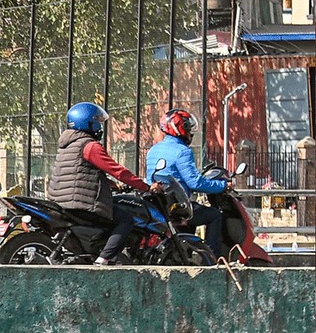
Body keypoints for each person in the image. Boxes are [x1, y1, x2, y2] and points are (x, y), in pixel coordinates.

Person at [49, 101, 150, 264]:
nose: (99, 128)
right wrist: (145, 186)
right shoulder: (90, 146)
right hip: (80, 204)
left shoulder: (68, 145)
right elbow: (118, 171)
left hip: (61, 200)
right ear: (88, 123)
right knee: (126, 219)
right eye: (97, 122)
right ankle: (103, 260)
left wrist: (108, 184)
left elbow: (80, 173)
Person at [144, 109, 227, 262]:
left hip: (158, 204)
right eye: (188, 129)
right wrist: (222, 185)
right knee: (214, 215)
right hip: (176, 206)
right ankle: (210, 257)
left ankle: (187, 255)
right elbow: (195, 182)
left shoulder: (153, 150)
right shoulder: (182, 151)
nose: (190, 133)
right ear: (180, 129)